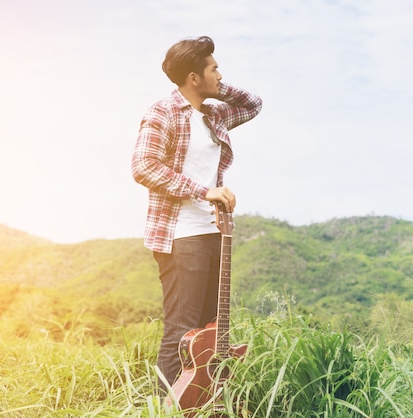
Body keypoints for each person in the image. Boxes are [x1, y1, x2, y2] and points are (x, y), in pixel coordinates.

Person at [131, 35, 262, 394]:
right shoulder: (163, 112)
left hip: (213, 231)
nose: (221, 75)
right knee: (181, 330)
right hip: (179, 233)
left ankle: (199, 406)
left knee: (210, 331)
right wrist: (204, 191)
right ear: (193, 77)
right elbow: (143, 166)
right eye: (214, 69)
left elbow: (252, 104)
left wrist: (212, 86)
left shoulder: (213, 113)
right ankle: (163, 408)